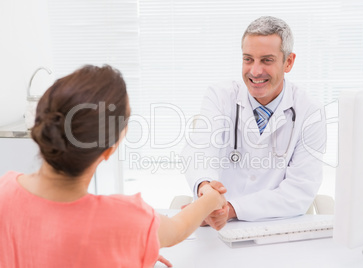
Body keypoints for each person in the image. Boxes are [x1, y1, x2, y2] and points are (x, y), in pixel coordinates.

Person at [0, 65, 226, 268]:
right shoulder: (126, 220)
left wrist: (127, 249)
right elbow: (177, 229)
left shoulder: (5, 189)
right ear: (109, 149)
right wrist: (211, 198)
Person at [182, 16, 326, 230]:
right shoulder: (220, 96)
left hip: (277, 227)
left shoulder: (310, 111)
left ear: (288, 62)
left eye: (267, 60)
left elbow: (299, 191)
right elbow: (200, 148)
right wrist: (206, 191)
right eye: (248, 59)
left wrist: (229, 209)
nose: (255, 71)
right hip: (218, 228)